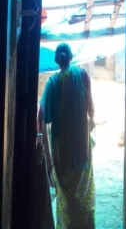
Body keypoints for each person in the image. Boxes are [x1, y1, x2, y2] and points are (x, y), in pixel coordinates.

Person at [37, 43, 96, 229]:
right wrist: (91, 122)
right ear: (71, 57)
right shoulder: (83, 75)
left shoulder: (53, 83)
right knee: (84, 189)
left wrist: (46, 152)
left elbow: (42, 118)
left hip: (62, 150)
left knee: (67, 193)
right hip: (82, 146)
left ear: (57, 60)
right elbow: (90, 107)